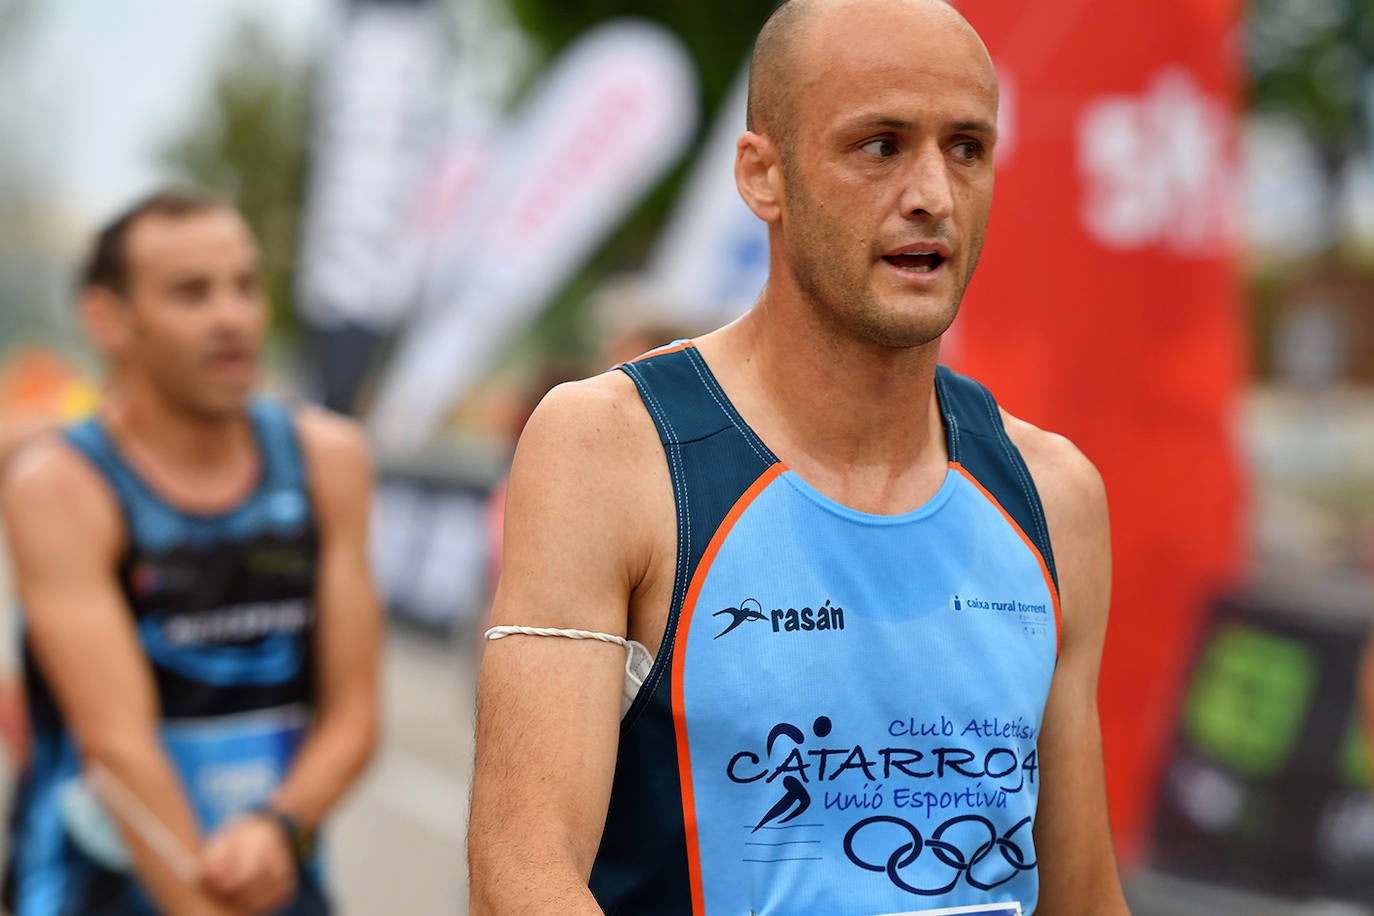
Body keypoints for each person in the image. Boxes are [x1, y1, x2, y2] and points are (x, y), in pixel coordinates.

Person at [467, 0, 1129, 913]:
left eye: (967, 147)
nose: (933, 192)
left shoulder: (1054, 491)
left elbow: (1084, 898)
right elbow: (521, 877)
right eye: (881, 144)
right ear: (761, 175)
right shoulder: (611, 448)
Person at [1, 190, 382, 915]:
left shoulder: (329, 460)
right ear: (108, 321)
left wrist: (279, 824)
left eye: (245, 286)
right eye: (191, 293)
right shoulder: (62, 487)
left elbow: (354, 715)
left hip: (272, 867)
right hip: (97, 882)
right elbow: (118, 748)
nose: (231, 316)